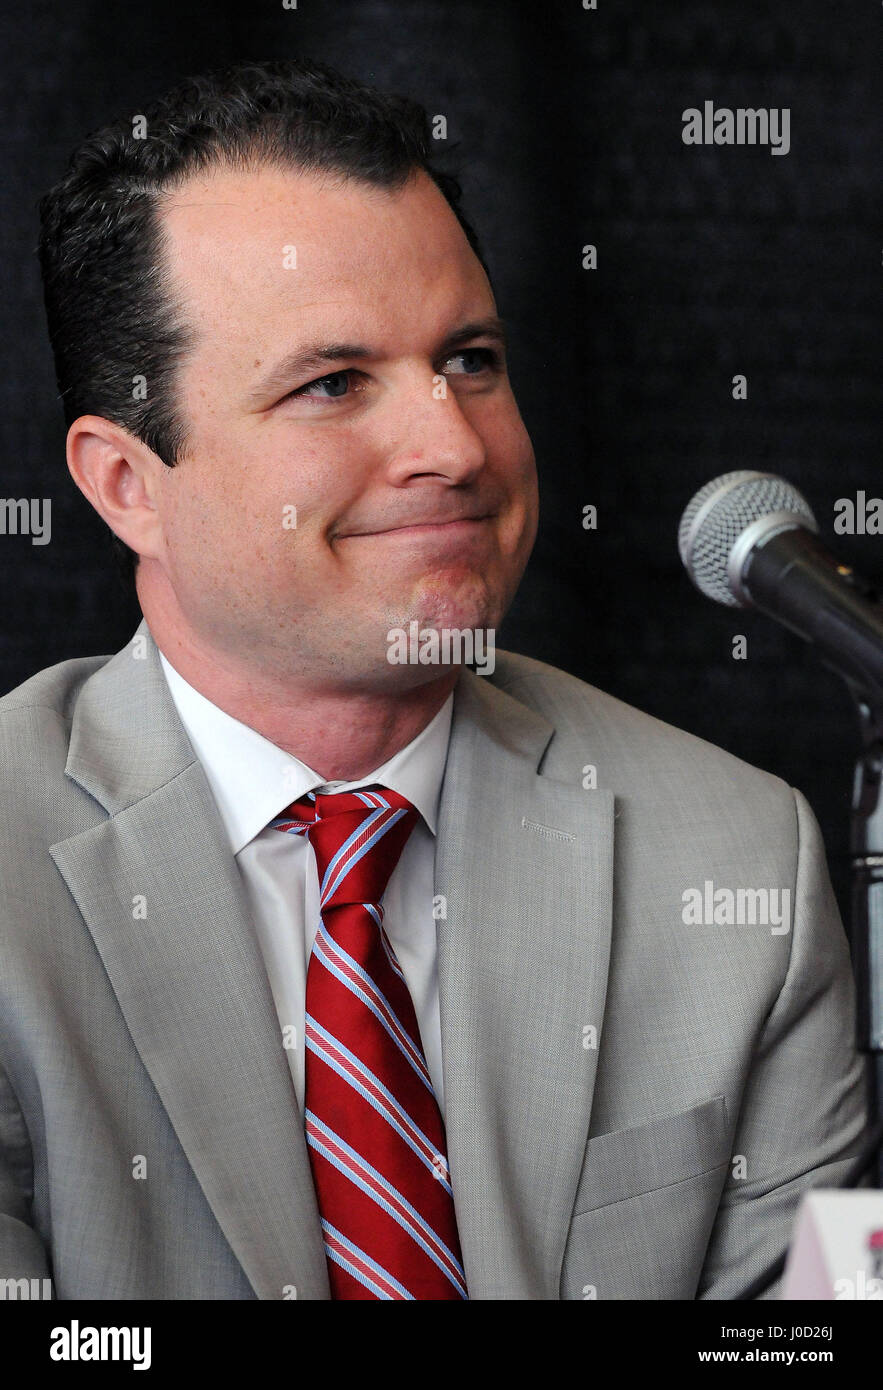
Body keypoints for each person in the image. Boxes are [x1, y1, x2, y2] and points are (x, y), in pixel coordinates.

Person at [0, 57, 867, 1301]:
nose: (454, 448)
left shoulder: (737, 857)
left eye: (469, 359)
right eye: (333, 383)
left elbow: (817, 1316)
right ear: (127, 484)